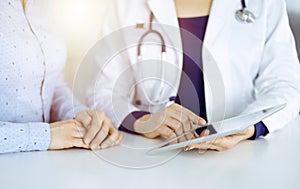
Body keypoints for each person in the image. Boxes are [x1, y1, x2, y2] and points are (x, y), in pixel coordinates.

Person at [87, 0, 300, 151]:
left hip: (241, 155)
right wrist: (142, 121)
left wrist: (248, 127)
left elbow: (286, 84)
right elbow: (101, 88)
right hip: (152, 155)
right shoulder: (125, 5)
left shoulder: (265, 3)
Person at [0, 0, 122, 154]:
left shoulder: (43, 6)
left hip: (45, 162)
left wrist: (80, 115)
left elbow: (52, 83)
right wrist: (46, 135)